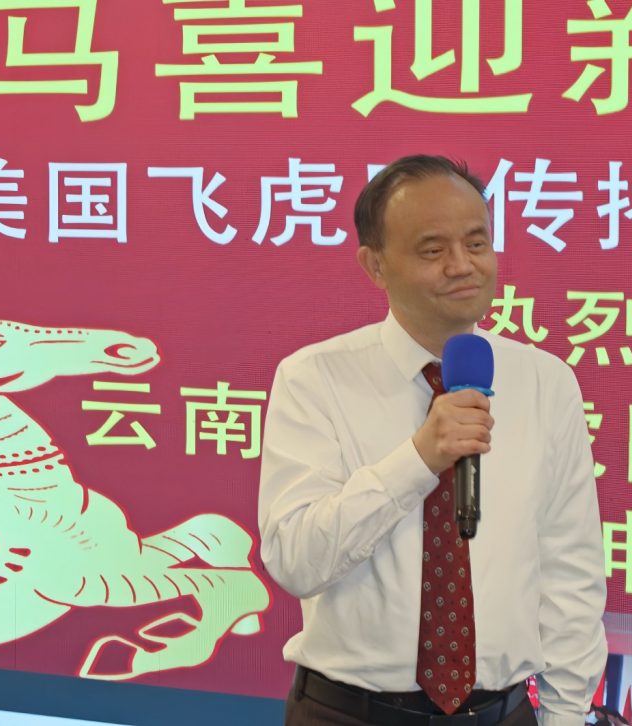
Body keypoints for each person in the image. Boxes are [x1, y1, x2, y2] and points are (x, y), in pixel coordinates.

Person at [258, 155, 607, 726]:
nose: (462, 265)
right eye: (432, 250)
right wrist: (419, 459)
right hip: (349, 714)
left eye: (476, 243)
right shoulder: (314, 378)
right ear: (375, 265)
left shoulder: (545, 382)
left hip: (503, 713)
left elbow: (570, 569)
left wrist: (565, 715)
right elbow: (296, 559)